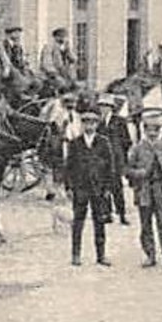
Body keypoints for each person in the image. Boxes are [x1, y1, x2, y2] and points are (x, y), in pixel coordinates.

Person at [126, 108, 162, 269]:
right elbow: (126, 170)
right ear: (145, 130)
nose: (153, 133)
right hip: (144, 190)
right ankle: (150, 255)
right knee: (146, 224)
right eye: (149, 130)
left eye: (156, 130)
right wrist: (138, 173)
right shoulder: (137, 148)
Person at [65, 108, 117, 267]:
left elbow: (110, 166)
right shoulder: (75, 143)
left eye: (93, 123)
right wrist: (69, 187)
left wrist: (108, 187)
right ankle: (75, 254)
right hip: (80, 188)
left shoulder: (103, 142)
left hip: (98, 189)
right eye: (86, 123)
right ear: (82, 124)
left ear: (97, 124)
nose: (89, 126)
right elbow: (69, 167)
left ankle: (101, 255)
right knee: (78, 222)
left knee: (99, 221)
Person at [98, 94, 134, 226]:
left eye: (106, 106)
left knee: (116, 187)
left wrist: (120, 155)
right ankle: (106, 213)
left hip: (115, 160)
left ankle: (122, 214)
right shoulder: (98, 122)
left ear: (111, 108)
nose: (103, 109)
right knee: (103, 187)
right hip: (102, 160)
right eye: (101, 106)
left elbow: (127, 141)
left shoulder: (119, 121)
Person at [39, 27, 78, 94]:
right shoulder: (49, 47)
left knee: (76, 86)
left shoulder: (65, 48)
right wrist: (54, 73)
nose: (63, 39)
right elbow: (46, 63)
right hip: (50, 76)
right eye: (61, 36)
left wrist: (68, 50)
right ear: (55, 37)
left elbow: (74, 59)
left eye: (65, 37)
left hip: (64, 75)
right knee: (61, 84)